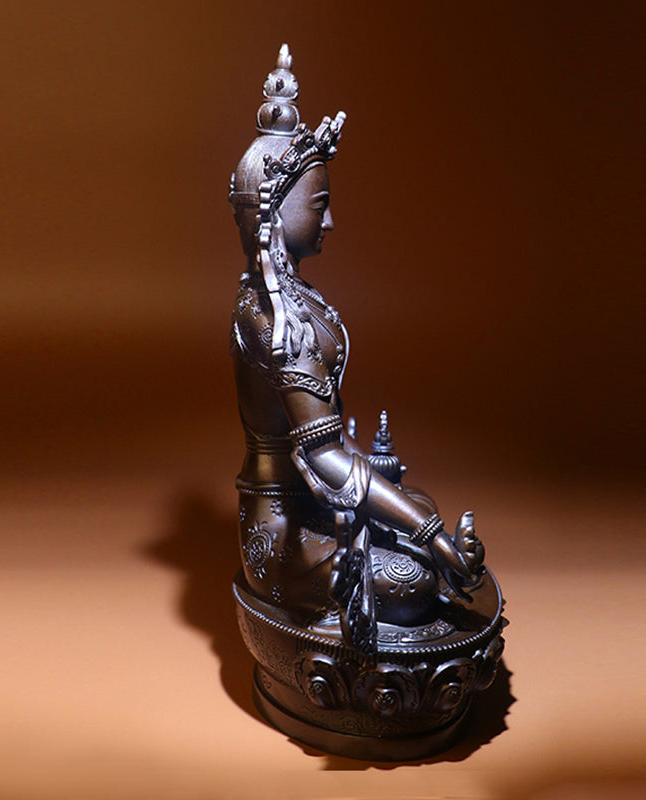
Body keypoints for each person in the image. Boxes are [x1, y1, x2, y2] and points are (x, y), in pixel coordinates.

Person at [229, 45, 483, 650]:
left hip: (316, 507)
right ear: (276, 212)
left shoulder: (291, 300)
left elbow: (333, 455)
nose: (331, 222)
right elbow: (324, 460)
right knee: (414, 576)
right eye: (320, 206)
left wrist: (415, 514)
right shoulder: (273, 321)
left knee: (416, 507)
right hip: (283, 534)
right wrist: (429, 531)